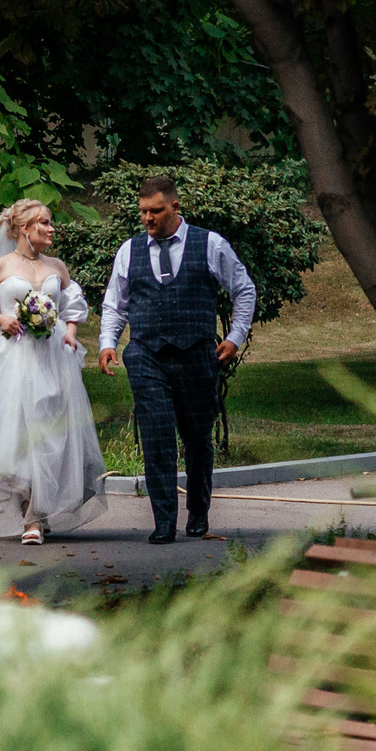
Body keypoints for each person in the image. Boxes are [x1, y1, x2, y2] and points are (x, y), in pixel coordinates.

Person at [98, 175, 258, 544]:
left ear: (175, 207)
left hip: (197, 354)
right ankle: (164, 521)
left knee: (198, 439)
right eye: (143, 212)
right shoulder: (130, 251)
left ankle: (198, 511)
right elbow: (115, 304)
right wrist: (108, 342)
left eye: (155, 211)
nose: (148, 218)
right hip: (146, 355)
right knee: (156, 438)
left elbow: (243, 289)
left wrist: (235, 337)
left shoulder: (209, 244)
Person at [0, 198, 109, 544]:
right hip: (18, 359)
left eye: (50, 223)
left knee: (55, 432)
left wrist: (70, 332)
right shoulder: (0, 266)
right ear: (25, 228)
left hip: (55, 357)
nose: (52, 229)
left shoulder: (56, 266)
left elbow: (73, 308)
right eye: (45, 223)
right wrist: (1, 319)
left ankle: (44, 506)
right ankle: (32, 517)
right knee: (24, 431)